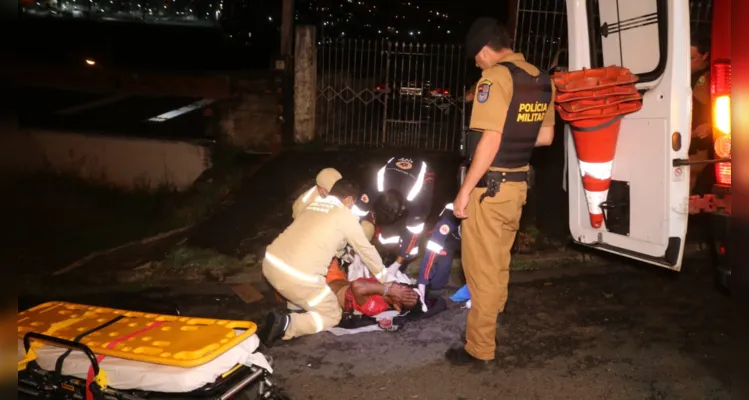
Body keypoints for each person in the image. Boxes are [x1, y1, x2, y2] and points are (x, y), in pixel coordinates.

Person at [447, 17, 555, 367]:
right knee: (500, 262)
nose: (476, 64)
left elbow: (490, 139)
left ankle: (479, 347)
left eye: (475, 58)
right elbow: (545, 137)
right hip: (518, 187)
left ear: (483, 50)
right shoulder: (540, 78)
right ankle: (494, 316)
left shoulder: (494, 78)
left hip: (489, 190)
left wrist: (464, 192)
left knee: (481, 270)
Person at [259, 179, 389, 347]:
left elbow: (317, 238)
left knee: (303, 291)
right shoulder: (344, 215)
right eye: (353, 204)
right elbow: (366, 250)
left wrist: (343, 253)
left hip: (270, 264)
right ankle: (287, 324)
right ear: (349, 200)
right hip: (298, 277)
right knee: (332, 314)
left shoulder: (313, 205)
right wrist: (386, 280)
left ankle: (297, 309)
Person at [352, 156, 436, 278]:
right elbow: (355, 216)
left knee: (412, 238)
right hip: (395, 165)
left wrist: (396, 265)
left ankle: (401, 265)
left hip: (420, 177)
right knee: (386, 236)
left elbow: (414, 234)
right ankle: (385, 255)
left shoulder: (418, 201)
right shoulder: (377, 186)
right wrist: (356, 255)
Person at [326, 257, 419, 317]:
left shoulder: (376, 307)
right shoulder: (390, 286)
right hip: (339, 279)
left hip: (325, 290)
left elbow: (357, 285)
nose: (402, 289)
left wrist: (388, 290)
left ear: (397, 306)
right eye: (407, 289)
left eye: (405, 295)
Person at [688, 32, 715, 195]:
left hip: (699, 145)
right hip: (683, 138)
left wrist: (711, 126)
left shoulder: (713, 79)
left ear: (705, 56)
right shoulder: (682, 76)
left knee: (689, 180)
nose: (686, 62)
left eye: (692, 58)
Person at [416, 203, 461, 297]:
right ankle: (434, 289)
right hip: (449, 240)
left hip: (471, 242)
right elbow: (431, 251)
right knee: (440, 275)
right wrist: (422, 284)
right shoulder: (449, 219)